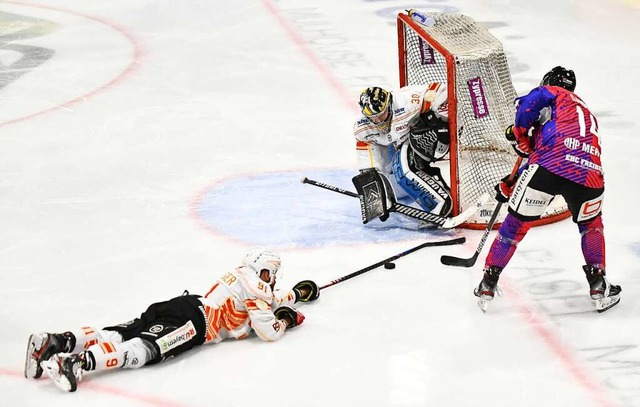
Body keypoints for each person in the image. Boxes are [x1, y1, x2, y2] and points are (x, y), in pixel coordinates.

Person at [24, 247, 320, 392]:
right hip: (195, 325)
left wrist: (292, 295)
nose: (272, 278)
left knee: (120, 332)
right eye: (271, 273)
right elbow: (267, 329)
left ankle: (57, 341)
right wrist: (286, 321)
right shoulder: (256, 289)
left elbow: (267, 299)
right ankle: (75, 363)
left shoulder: (239, 278)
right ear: (262, 271)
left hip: (184, 303)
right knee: (145, 350)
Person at [474, 66, 621, 313]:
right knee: (591, 226)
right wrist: (514, 180)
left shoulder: (551, 93)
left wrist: (521, 135)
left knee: (514, 226)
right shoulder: (584, 112)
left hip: (548, 167)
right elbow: (560, 150)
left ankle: (488, 282)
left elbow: (546, 150)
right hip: (590, 175)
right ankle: (598, 284)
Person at [353, 84, 452, 217]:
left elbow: (441, 90)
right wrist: (378, 200)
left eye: (381, 115)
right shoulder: (362, 128)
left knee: (402, 169)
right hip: (396, 143)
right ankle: (431, 179)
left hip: (425, 136)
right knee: (394, 185)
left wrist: (440, 119)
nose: (377, 121)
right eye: (373, 118)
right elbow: (368, 166)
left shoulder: (407, 101)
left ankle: (442, 202)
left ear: (389, 105)